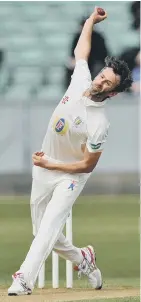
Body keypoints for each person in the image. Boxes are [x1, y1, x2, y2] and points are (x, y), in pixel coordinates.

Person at [8, 7, 133, 296]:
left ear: (112, 93)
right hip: (44, 166)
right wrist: (90, 21)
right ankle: (83, 258)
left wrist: (55, 164)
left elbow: (87, 165)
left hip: (70, 175)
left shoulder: (99, 123)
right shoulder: (80, 81)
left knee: (50, 224)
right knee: (41, 231)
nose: (100, 81)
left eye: (107, 83)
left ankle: (24, 279)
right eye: (102, 75)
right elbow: (81, 51)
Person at [64, 16, 110, 89]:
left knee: (98, 68)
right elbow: (73, 54)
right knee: (70, 68)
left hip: (96, 62)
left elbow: (103, 55)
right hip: (82, 62)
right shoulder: (77, 37)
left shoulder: (98, 37)